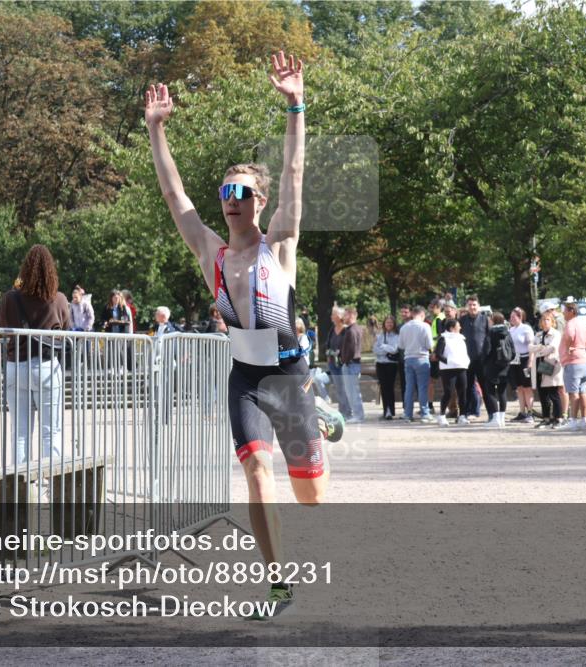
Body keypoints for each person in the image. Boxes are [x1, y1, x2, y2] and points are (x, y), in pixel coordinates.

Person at [146, 51, 321, 617]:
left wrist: (295, 105)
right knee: (255, 471)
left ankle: (321, 421)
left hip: (289, 374)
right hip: (245, 376)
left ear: (260, 203)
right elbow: (175, 198)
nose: (231, 199)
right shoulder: (211, 255)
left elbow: (293, 172)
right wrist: (156, 131)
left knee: (311, 495)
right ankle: (277, 584)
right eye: (226, 192)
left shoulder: (281, 243)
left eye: (242, 192)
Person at [0, 244, 71, 464]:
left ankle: (22, 488)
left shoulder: (11, 298)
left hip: (15, 365)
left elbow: (1, 327)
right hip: (46, 366)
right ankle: (52, 486)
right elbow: (66, 329)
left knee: (19, 433)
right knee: (51, 431)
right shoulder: (58, 299)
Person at [557, 301, 586, 431]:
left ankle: (573, 421)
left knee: (573, 393)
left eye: (564, 310)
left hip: (572, 362)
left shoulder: (570, 323)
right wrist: (583, 346)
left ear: (571, 311)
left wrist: (569, 346)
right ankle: (583, 420)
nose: (563, 313)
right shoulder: (582, 323)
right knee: (582, 392)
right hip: (583, 361)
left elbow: (570, 335)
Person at [398, 306, 434, 422]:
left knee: (409, 388)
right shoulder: (425, 326)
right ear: (422, 315)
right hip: (422, 358)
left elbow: (401, 346)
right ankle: (424, 413)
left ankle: (408, 414)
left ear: (412, 314)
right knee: (422, 387)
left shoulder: (404, 327)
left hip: (408, 359)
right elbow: (429, 345)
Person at [530, 310, 564, 428]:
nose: (545, 322)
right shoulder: (538, 334)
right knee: (542, 393)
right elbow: (530, 347)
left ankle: (558, 418)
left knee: (553, 393)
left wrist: (538, 348)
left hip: (550, 364)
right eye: (543, 319)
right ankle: (546, 418)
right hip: (539, 364)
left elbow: (551, 348)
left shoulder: (556, 334)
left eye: (548, 319)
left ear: (552, 322)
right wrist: (540, 347)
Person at [434, 318, 469, 425]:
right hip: (448, 369)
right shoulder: (443, 338)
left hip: (461, 368)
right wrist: (449, 361)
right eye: (458, 326)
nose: (460, 327)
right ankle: (442, 415)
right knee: (448, 392)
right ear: (452, 328)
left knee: (462, 392)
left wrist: (466, 361)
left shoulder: (461, 339)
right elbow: (438, 354)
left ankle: (462, 416)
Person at [481, 312, 513, 428]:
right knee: (502, 392)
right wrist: (507, 362)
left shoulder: (490, 333)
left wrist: (484, 362)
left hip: (491, 367)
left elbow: (486, 351)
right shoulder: (507, 333)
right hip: (505, 366)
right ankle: (502, 418)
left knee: (490, 392)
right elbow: (513, 351)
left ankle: (495, 419)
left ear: (493, 321)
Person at [459, 295, 488, 420]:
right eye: (470, 305)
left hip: (482, 359)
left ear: (478, 306)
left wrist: (488, 354)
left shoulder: (485, 319)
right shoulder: (462, 320)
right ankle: (467, 412)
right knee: (467, 386)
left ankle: (492, 413)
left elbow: (489, 337)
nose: (472, 307)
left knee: (485, 386)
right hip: (466, 359)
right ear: (467, 306)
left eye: (474, 304)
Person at [508, 307, 535, 423]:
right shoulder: (511, 330)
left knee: (527, 387)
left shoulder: (526, 328)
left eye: (514, 316)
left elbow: (531, 346)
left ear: (520, 317)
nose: (511, 319)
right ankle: (522, 412)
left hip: (524, 359)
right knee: (519, 388)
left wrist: (530, 361)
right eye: (511, 316)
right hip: (514, 360)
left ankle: (530, 412)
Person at [338, 306, 364, 423]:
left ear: (352, 315)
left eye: (346, 314)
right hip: (352, 363)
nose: (343, 317)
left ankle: (358, 415)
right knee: (352, 391)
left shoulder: (352, 330)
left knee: (352, 392)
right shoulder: (354, 329)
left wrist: (345, 360)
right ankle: (358, 414)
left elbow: (352, 349)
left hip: (351, 364)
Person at [372, 315, 400, 420]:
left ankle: (391, 410)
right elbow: (375, 350)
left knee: (390, 387)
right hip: (380, 364)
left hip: (391, 364)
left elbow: (394, 350)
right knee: (383, 387)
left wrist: (383, 347)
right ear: (384, 324)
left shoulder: (397, 336)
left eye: (391, 322)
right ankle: (386, 410)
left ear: (394, 324)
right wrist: (385, 349)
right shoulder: (380, 336)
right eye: (387, 322)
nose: (389, 324)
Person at [326, 306, 350, 418]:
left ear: (339, 316)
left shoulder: (346, 330)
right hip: (332, 363)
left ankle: (347, 412)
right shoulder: (332, 329)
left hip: (342, 363)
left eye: (333, 314)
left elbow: (348, 347)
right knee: (339, 388)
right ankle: (342, 412)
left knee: (345, 388)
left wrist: (339, 353)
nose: (331, 316)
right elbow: (328, 344)